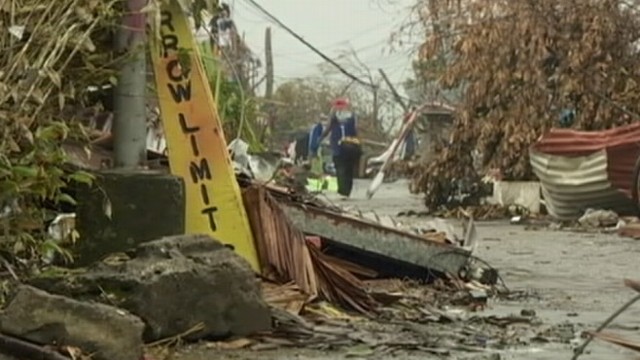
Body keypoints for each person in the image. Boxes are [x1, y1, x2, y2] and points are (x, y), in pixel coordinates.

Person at [322, 98, 361, 200]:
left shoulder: (334, 115)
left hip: (339, 147)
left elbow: (328, 128)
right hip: (350, 146)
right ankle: (346, 191)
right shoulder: (352, 116)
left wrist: (320, 138)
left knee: (341, 169)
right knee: (348, 169)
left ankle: (343, 191)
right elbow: (356, 130)